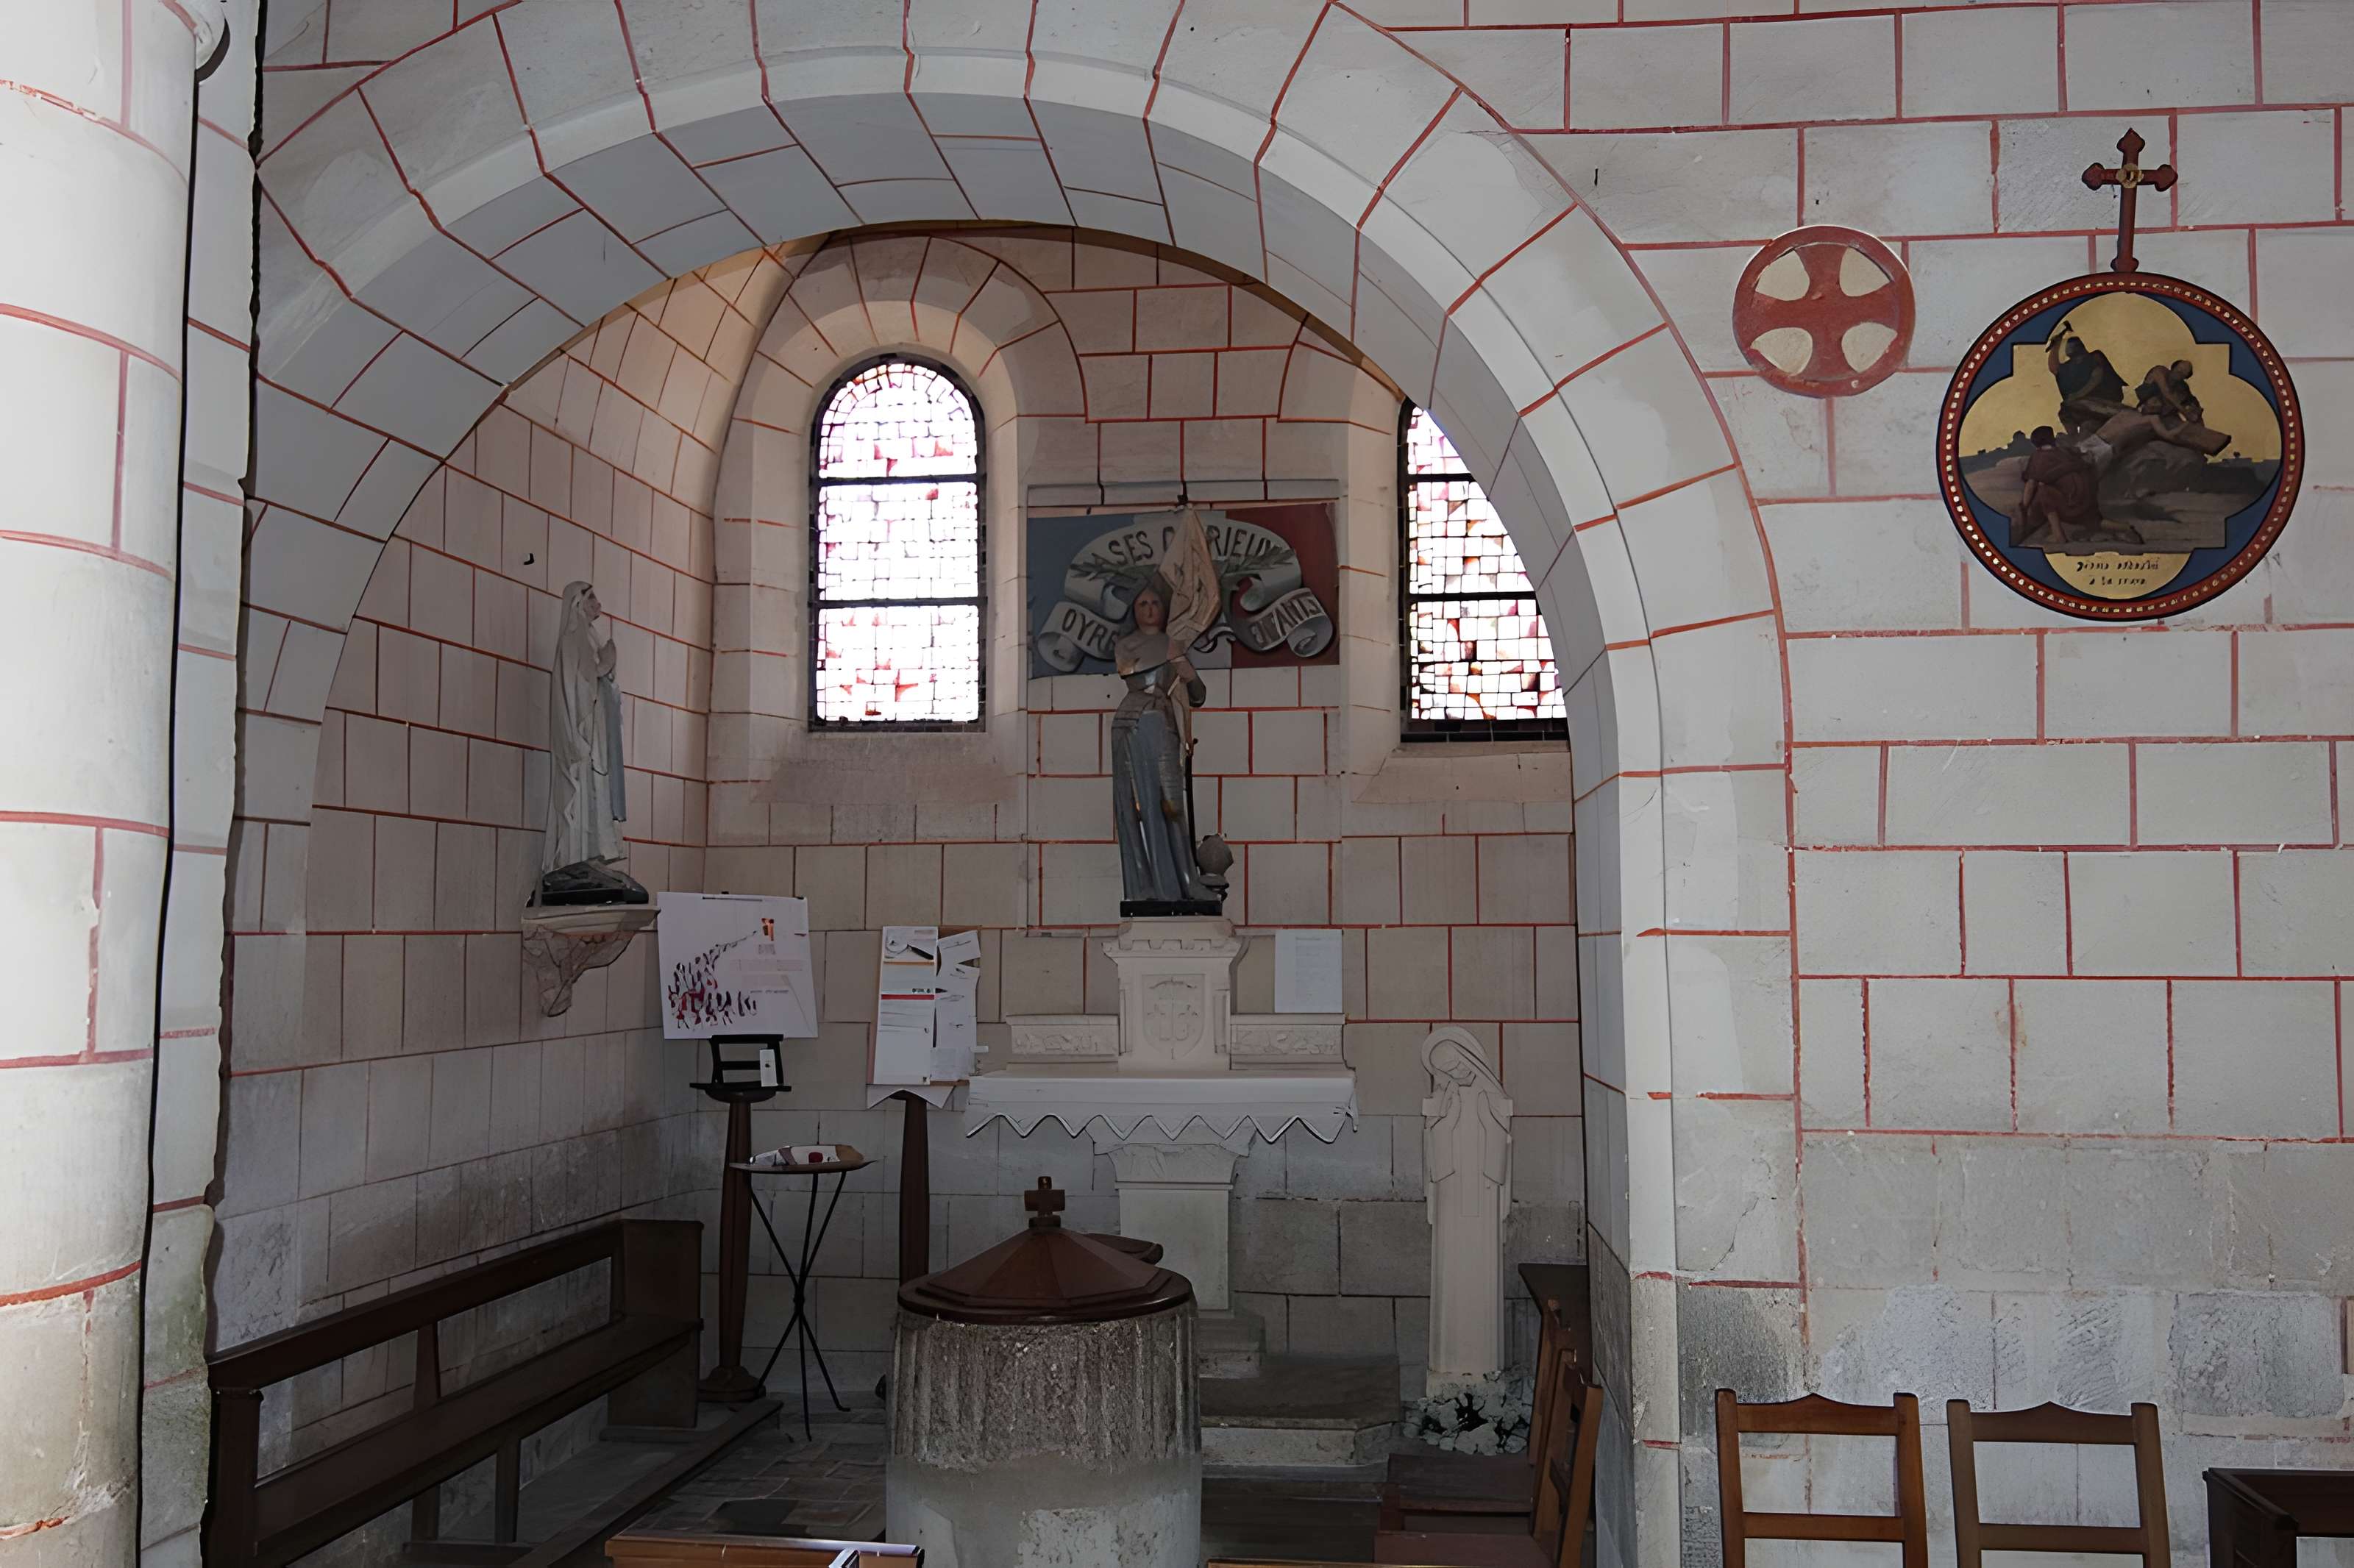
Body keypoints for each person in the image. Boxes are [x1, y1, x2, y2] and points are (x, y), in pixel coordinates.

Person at [539, 580, 645, 902]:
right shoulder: (575, 639)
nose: (598, 603)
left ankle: (590, 860)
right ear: (578, 604)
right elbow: (581, 689)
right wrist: (607, 663)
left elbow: (600, 687)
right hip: (583, 743)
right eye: (592, 597)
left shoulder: (589, 637)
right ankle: (575, 863)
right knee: (583, 795)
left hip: (596, 739)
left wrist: (607, 669)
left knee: (596, 795)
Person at [1109, 579, 1213, 907]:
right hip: (1132, 723)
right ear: (1134, 610)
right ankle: (1145, 887)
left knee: (1172, 806)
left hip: (1164, 723)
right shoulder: (1126, 645)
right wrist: (1170, 653)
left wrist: (1184, 666)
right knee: (1138, 807)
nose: (1150, 610)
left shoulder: (1173, 644)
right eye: (1143, 604)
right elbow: (1132, 671)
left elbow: (1199, 696)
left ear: (1164, 608)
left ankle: (1186, 882)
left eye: (1155, 604)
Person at [2014, 427, 2140, 551]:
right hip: (2086, 496)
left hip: (2071, 499)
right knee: (2091, 520)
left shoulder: (2039, 457)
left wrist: (2024, 507)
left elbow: (2031, 483)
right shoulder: (2065, 451)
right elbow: (2084, 456)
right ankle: (2125, 528)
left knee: (2043, 492)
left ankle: (2059, 535)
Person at [2047, 325, 2128, 435]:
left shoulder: (2095, 357)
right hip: (2083, 406)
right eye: (2068, 347)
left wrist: (2078, 395)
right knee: (2067, 411)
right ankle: (2073, 438)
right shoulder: (2070, 366)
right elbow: (2055, 369)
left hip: (2104, 400)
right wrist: (2056, 346)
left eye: (2074, 346)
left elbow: (2097, 377)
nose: (2070, 349)